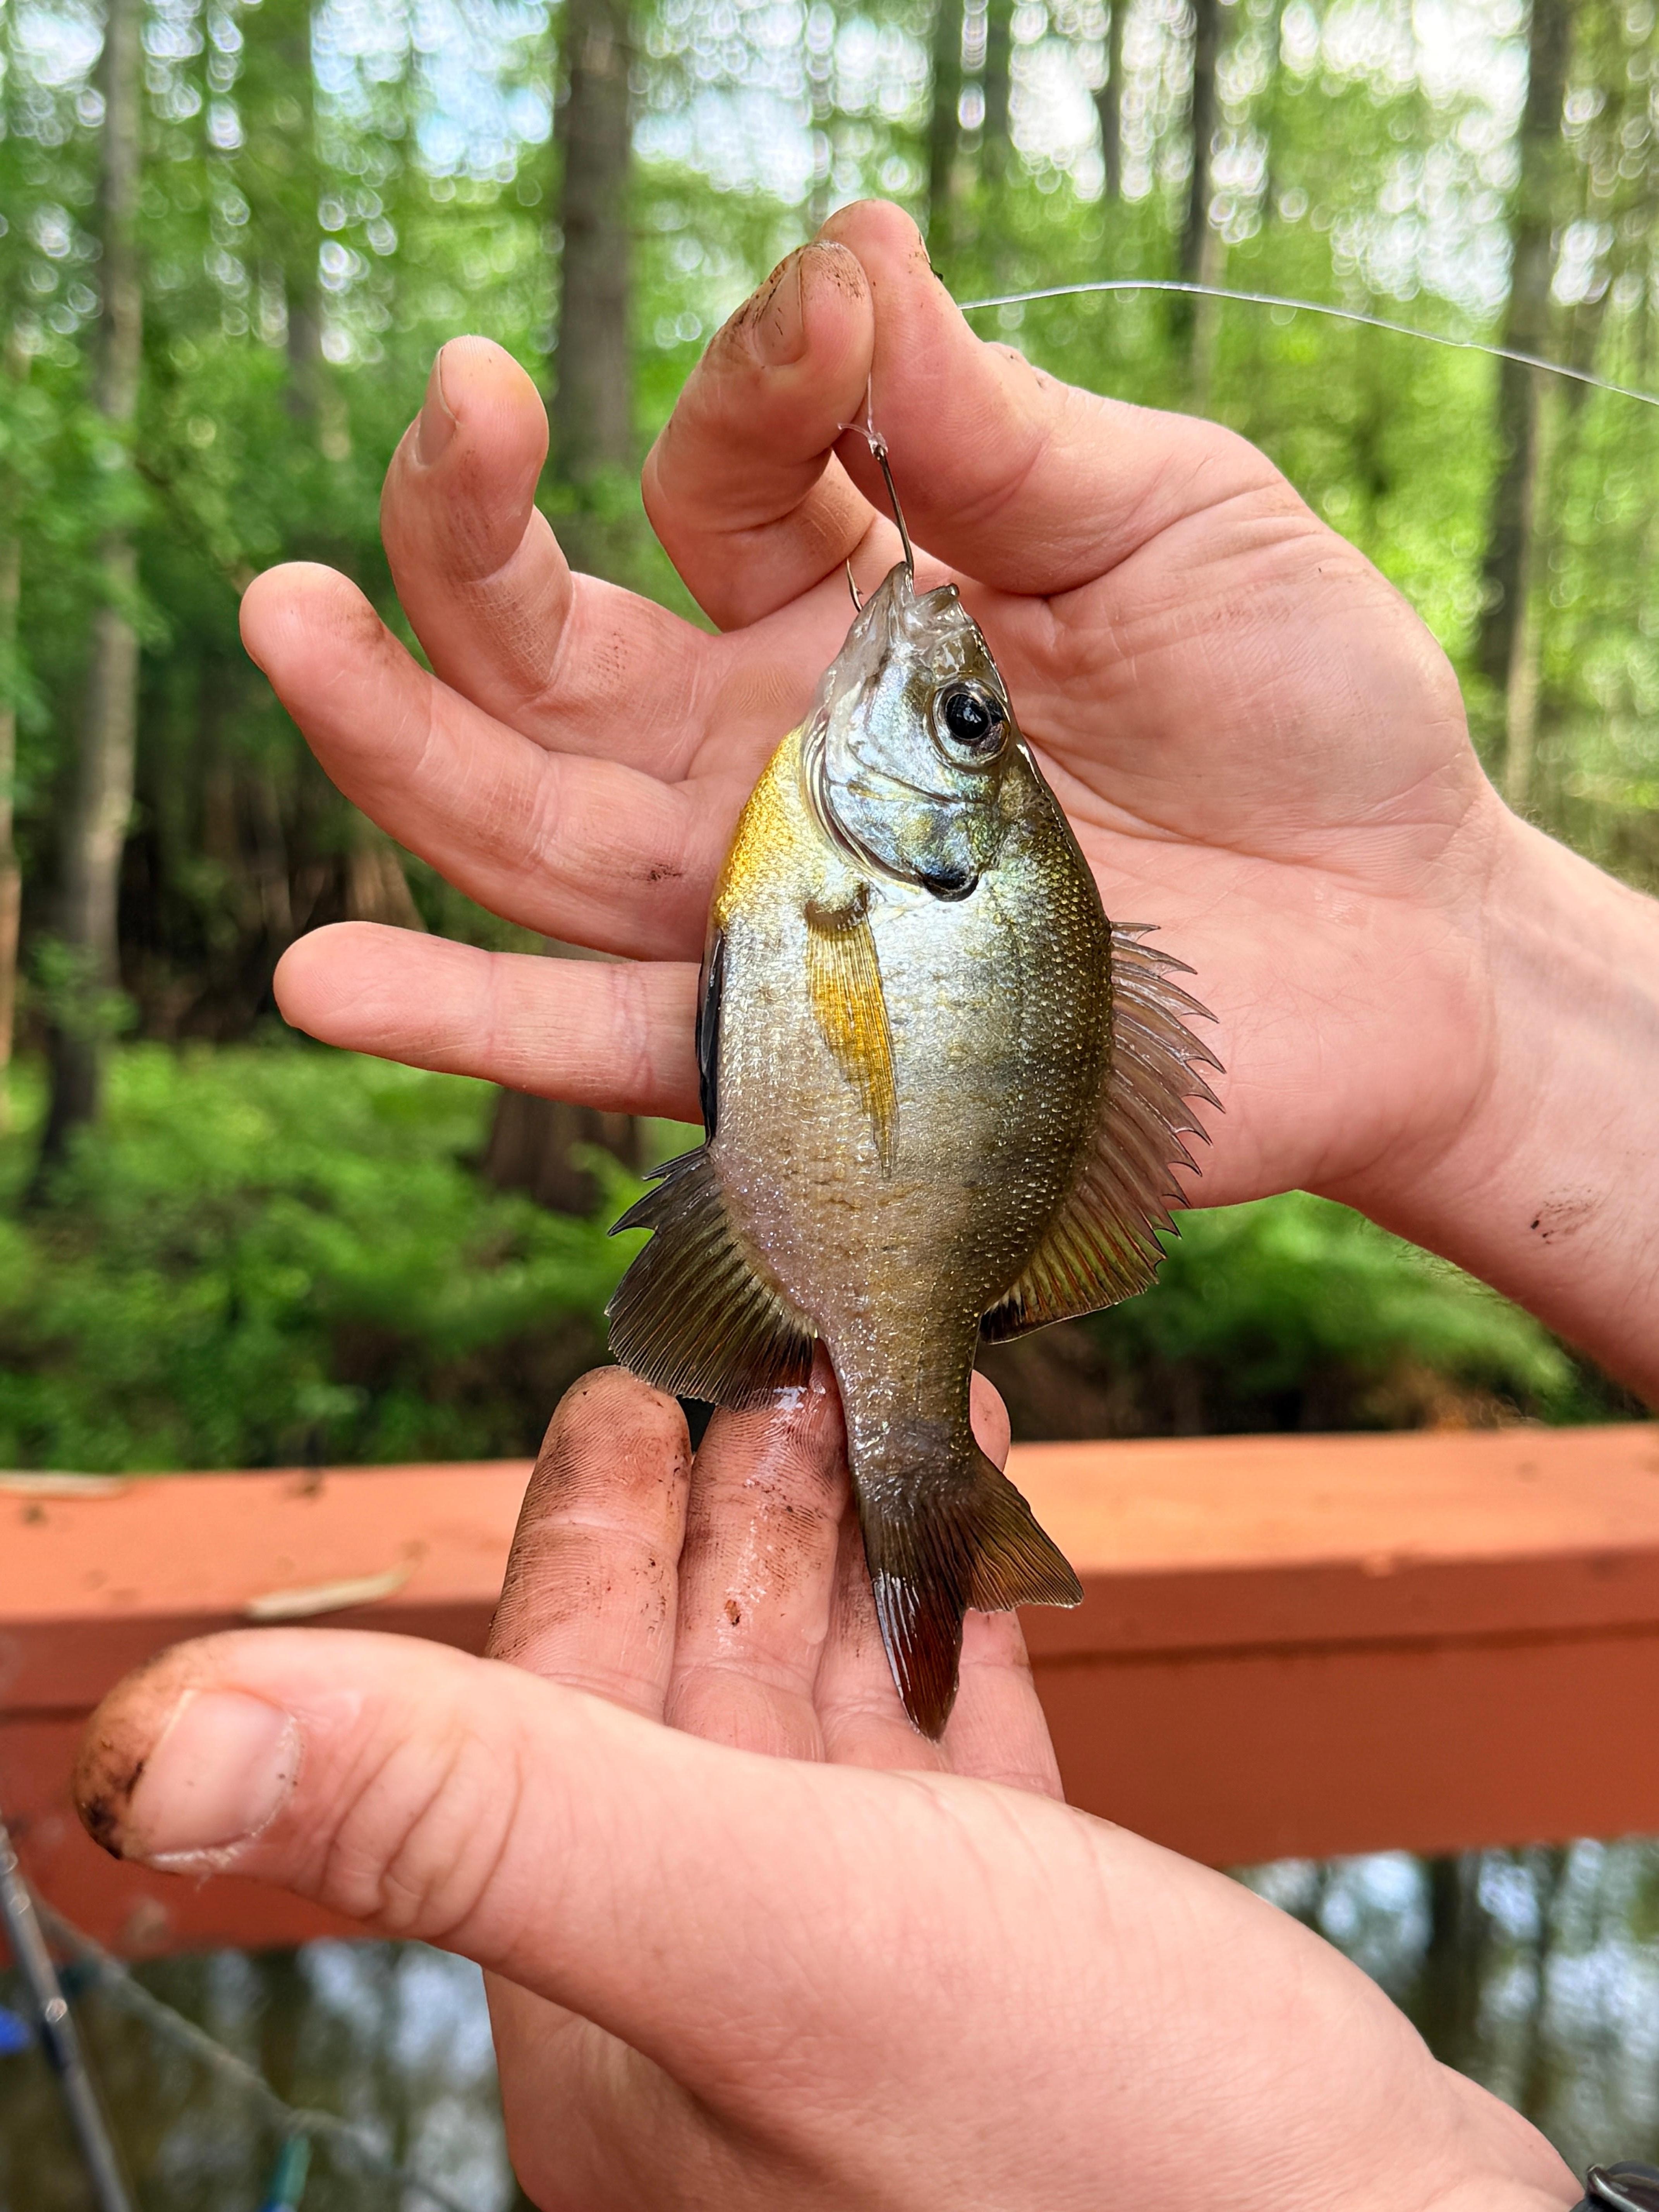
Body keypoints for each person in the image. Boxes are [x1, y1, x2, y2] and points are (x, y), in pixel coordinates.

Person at [74, 200, 1657, 2210]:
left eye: (966, 725)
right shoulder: (873, 835)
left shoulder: (885, 848)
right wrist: (1486, 976)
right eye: (977, 724)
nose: (950, 686)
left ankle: (928, 1495)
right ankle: (927, 1496)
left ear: (954, 814)